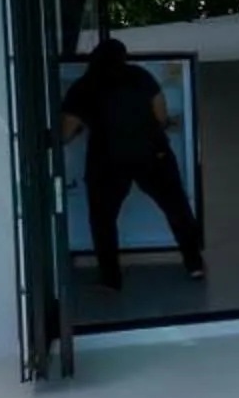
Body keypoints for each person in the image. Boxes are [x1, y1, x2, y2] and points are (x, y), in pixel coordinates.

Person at [59, 37, 205, 287]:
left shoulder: (82, 87)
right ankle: (194, 264)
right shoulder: (140, 75)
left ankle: (110, 277)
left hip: (107, 160)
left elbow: (65, 133)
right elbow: (160, 115)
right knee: (177, 208)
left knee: (103, 219)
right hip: (152, 153)